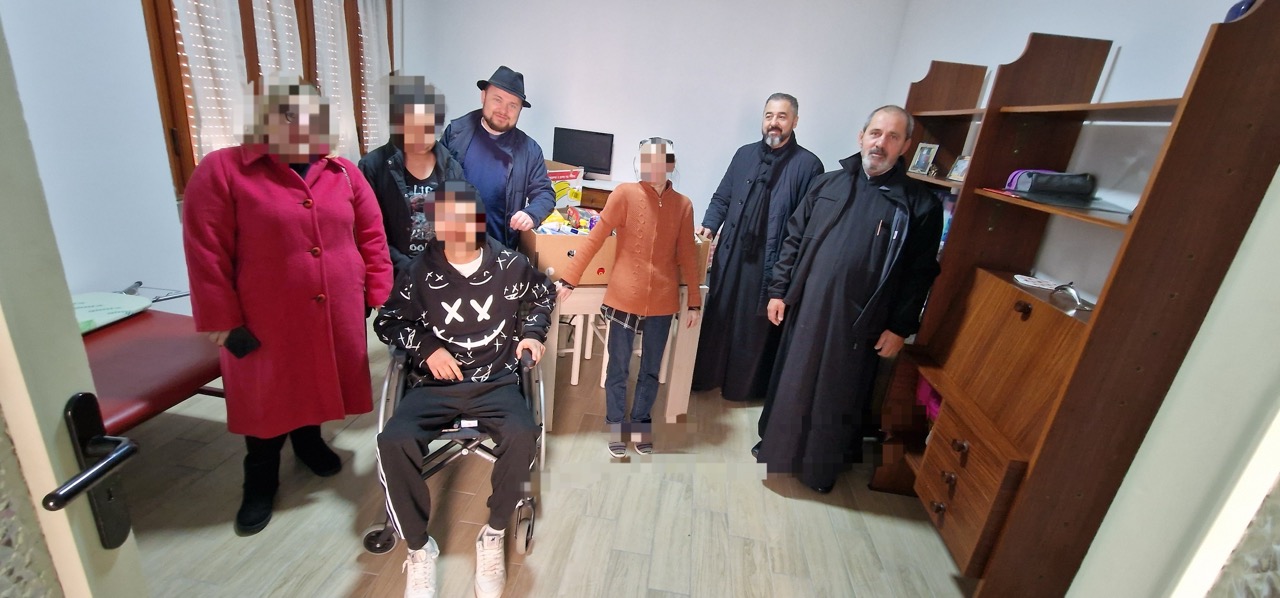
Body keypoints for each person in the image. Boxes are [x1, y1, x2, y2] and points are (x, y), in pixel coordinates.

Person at [183, 77, 393, 535]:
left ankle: (309, 442)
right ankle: (259, 477)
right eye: (289, 114)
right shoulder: (223, 169)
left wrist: (379, 293)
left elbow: (371, 234)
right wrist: (220, 319)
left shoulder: (342, 171)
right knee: (266, 395)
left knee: (318, 378)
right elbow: (206, 251)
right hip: (264, 316)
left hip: (336, 307)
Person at [374, 180, 553, 598]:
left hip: (496, 380)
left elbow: (542, 297)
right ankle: (419, 547)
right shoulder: (418, 272)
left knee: (523, 435)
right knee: (393, 441)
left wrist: (532, 334)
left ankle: (493, 533)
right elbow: (388, 321)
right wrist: (427, 348)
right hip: (433, 384)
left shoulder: (510, 264)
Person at [756, 105, 943, 493]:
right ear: (861, 136)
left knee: (835, 396)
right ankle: (776, 448)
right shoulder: (827, 184)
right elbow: (793, 238)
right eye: (875, 133)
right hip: (806, 309)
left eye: (892, 137)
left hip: (859, 323)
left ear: (906, 145)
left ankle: (817, 472)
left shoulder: (920, 205)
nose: (881, 143)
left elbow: (920, 275)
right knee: (791, 382)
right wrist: (778, 291)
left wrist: (900, 327)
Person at [556, 138, 702, 457]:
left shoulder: (683, 205)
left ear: (671, 165)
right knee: (618, 367)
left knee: (650, 369)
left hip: (663, 300)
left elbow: (688, 256)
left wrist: (694, 301)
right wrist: (570, 278)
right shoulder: (624, 194)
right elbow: (595, 237)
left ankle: (641, 425)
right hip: (623, 296)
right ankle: (615, 425)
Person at [691, 93, 824, 402]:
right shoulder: (744, 154)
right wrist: (709, 225)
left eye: (781, 116)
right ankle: (706, 377)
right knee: (719, 314)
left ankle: (741, 388)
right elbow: (722, 197)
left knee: (752, 325)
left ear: (795, 121)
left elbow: (804, 225)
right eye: (769, 115)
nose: (774, 122)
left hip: (770, 261)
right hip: (731, 252)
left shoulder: (809, 165)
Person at [360, 76, 465, 279]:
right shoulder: (373, 166)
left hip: (441, 274)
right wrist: (409, 268)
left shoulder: (451, 167)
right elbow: (370, 233)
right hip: (395, 275)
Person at [440, 65, 556, 249]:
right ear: (483, 96)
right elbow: (434, 180)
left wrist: (531, 214)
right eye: (497, 100)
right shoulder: (455, 133)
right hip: (451, 244)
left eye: (512, 105)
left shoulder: (530, 150)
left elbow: (545, 193)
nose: (503, 110)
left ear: (520, 110)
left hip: (500, 251)